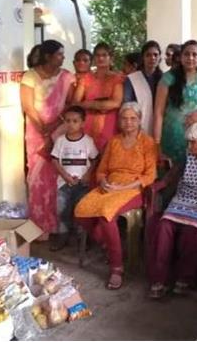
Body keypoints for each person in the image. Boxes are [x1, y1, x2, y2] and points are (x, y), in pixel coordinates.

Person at [74, 102, 158, 289]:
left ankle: (116, 268)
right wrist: (103, 181)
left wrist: (124, 187)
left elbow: (150, 175)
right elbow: (102, 170)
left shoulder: (147, 142)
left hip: (133, 189)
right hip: (110, 185)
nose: (128, 123)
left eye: (133, 119)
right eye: (124, 119)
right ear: (119, 121)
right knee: (81, 209)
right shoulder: (113, 141)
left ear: (139, 120)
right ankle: (110, 245)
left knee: (106, 213)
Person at [149, 122, 197, 298]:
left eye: (193, 142)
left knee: (192, 233)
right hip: (180, 201)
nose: (189, 146)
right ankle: (159, 279)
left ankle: (185, 278)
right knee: (163, 228)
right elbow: (174, 173)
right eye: (189, 142)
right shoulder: (188, 155)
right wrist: (160, 184)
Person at [20, 40, 76, 241]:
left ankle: (56, 225)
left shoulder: (66, 77)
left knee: (56, 177)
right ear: (48, 56)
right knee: (37, 179)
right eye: (59, 54)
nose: (63, 58)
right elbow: (28, 106)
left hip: (59, 130)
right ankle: (38, 226)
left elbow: (70, 103)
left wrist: (55, 126)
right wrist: (43, 128)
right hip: (36, 133)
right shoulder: (30, 76)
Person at [49, 106, 99, 251]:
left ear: (83, 123)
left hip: (82, 184)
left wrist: (87, 175)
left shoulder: (88, 141)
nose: (71, 124)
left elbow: (95, 159)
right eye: (68, 121)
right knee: (62, 210)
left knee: (81, 211)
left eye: (75, 121)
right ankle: (63, 237)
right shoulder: (60, 141)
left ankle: (82, 239)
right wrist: (66, 176)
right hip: (64, 184)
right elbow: (54, 160)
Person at [73, 42, 125, 151]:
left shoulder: (117, 78)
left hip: (110, 124)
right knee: (88, 159)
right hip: (88, 123)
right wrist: (103, 105)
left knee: (107, 158)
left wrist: (89, 104)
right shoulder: (86, 78)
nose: (101, 58)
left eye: (104, 55)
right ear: (94, 58)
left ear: (110, 58)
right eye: (97, 55)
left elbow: (116, 102)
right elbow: (75, 103)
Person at [123, 40, 163, 136]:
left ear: (159, 58)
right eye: (148, 55)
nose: (152, 58)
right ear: (143, 57)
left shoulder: (165, 79)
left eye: (155, 55)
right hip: (138, 127)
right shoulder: (132, 79)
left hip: (162, 127)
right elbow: (127, 105)